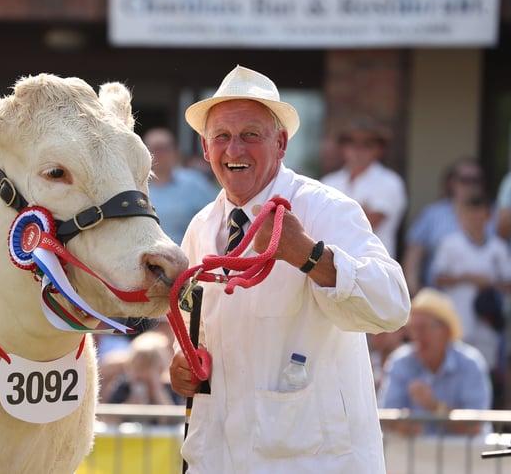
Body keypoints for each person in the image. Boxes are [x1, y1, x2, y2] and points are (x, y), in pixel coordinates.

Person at [168, 65, 410, 472]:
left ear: (281, 144)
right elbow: (194, 333)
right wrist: (181, 366)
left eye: (251, 135)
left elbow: (392, 307)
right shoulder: (201, 227)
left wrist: (310, 256)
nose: (234, 150)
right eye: (222, 137)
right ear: (205, 148)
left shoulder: (326, 208)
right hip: (219, 458)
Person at [378, 288, 491, 436]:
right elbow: (385, 417)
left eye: (423, 328)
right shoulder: (400, 362)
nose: (416, 336)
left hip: (462, 457)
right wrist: (401, 425)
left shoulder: (470, 363)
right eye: (412, 329)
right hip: (413, 458)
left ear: (446, 330)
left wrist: (434, 406)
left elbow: (476, 426)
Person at [431, 193, 511, 370]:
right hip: (459, 316)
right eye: (470, 216)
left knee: (487, 367)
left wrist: (489, 283)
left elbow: (507, 282)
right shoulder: (450, 244)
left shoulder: (498, 247)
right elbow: (438, 278)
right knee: (455, 365)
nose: (475, 221)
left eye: (479, 216)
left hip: (488, 319)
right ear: (461, 217)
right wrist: (466, 278)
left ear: (488, 217)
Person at [320, 117, 407, 258]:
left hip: (374, 268)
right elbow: (317, 223)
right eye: (351, 142)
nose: (358, 149)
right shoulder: (329, 181)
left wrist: (334, 215)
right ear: (343, 147)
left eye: (367, 144)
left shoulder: (390, 182)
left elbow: (369, 223)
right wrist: (358, 211)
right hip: (331, 266)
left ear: (379, 149)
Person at [401, 158, 486, 295]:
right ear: (453, 182)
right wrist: (414, 290)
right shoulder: (432, 214)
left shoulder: (493, 216)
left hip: (484, 307)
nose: (470, 185)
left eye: (475, 180)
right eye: (464, 179)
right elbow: (414, 254)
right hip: (439, 301)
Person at [143, 127, 218, 244]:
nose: (159, 154)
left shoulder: (194, 183)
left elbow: (216, 218)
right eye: (154, 149)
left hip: (186, 258)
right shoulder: (134, 186)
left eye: (165, 148)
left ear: (175, 152)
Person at [106, 331, 183, 423]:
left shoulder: (171, 388)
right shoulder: (124, 387)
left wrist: (157, 391)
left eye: (147, 367)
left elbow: (171, 421)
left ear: (160, 370)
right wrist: (130, 404)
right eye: (137, 367)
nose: (142, 374)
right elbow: (109, 420)